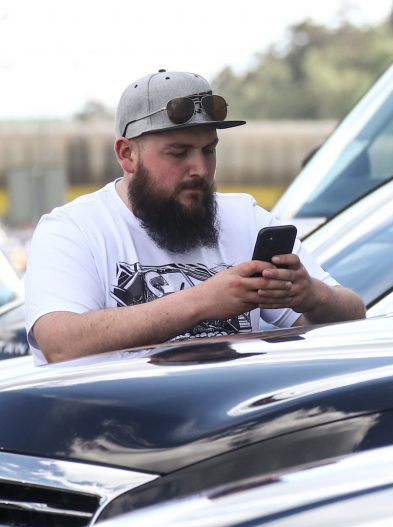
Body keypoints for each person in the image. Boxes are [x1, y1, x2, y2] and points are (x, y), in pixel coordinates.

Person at [24, 70, 365, 365]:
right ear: (127, 155)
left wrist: (311, 295)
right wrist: (201, 302)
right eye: (178, 153)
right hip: (121, 435)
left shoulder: (246, 218)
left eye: (209, 150)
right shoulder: (74, 230)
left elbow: (354, 315)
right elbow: (60, 344)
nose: (199, 169)